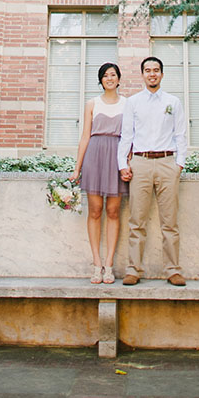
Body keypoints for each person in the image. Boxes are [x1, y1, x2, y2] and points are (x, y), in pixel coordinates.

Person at [117, 56, 188, 286]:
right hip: (141, 163)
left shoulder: (173, 102)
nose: (152, 74)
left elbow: (181, 134)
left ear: (162, 74)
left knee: (170, 221)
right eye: (148, 70)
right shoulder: (133, 102)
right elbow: (126, 135)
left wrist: (180, 164)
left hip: (167, 162)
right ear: (142, 75)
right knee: (137, 220)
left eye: (156, 70)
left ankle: (173, 269)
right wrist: (122, 164)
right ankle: (133, 269)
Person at [72, 62, 128, 285]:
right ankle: (96, 264)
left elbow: (131, 136)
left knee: (113, 211)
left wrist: (128, 162)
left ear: (119, 78)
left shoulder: (127, 103)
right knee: (95, 210)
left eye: (113, 74)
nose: (109, 78)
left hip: (117, 155)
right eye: (105, 75)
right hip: (95, 155)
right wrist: (77, 167)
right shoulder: (91, 103)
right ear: (101, 80)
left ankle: (109, 264)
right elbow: (85, 135)